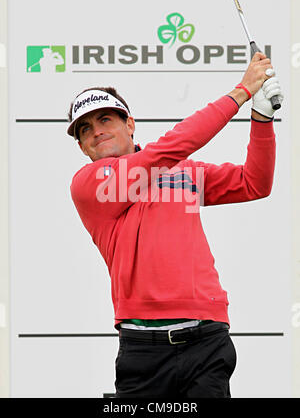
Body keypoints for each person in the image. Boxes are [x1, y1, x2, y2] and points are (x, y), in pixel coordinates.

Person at [67, 52, 283, 398]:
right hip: (144, 349)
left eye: (105, 119)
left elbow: (254, 182)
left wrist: (262, 116)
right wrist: (241, 92)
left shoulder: (182, 171)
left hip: (207, 340)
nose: (96, 132)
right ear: (81, 146)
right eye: (85, 129)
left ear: (130, 124)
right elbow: (164, 151)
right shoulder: (90, 183)